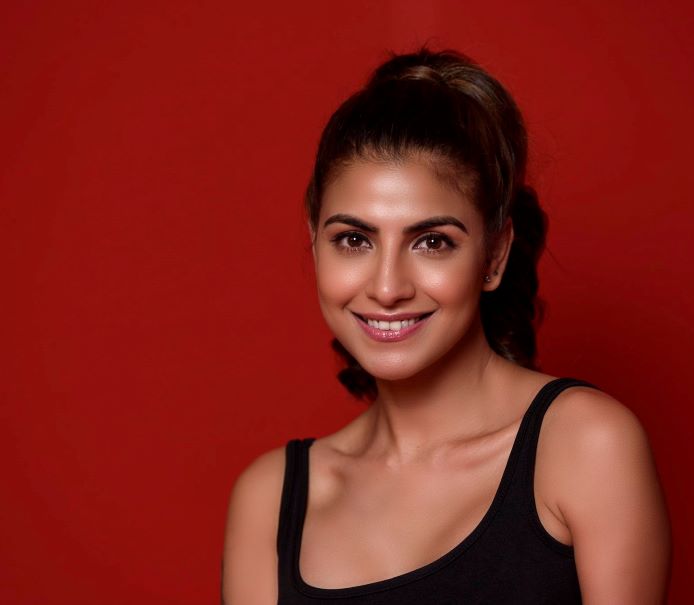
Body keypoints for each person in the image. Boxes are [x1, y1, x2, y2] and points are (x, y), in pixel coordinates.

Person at [222, 48, 670, 604]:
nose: (387, 287)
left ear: (494, 255)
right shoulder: (270, 501)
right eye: (354, 239)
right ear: (315, 242)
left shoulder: (585, 446)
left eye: (432, 242)